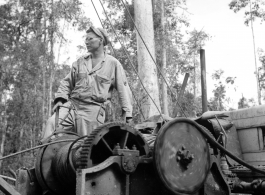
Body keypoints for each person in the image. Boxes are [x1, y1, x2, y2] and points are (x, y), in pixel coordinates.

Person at [42, 27, 133, 139]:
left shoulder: (113, 64)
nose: (86, 42)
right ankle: (43, 155)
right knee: (51, 124)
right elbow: (67, 82)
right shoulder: (80, 62)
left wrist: (127, 114)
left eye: (90, 39)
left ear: (100, 40)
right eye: (86, 39)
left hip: (93, 109)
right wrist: (60, 99)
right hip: (73, 105)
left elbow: (123, 90)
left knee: (85, 145)